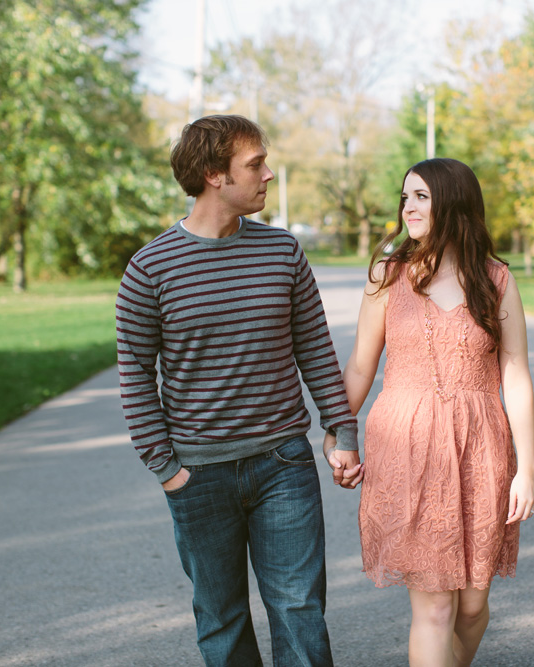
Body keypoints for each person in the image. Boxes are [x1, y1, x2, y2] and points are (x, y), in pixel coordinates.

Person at [116, 115, 359, 667]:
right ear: (213, 175)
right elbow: (134, 373)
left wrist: (341, 429)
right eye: (255, 164)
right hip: (198, 474)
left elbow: (315, 349)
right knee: (221, 618)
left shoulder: (283, 253)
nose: (268, 174)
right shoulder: (150, 268)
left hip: (284, 464)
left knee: (299, 609)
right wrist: (167, 469)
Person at [325, 157, 534, 666]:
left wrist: (526, 468)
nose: (408, 207)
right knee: (436, 607)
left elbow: (516, 373)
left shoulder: (495, 278)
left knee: (471, 605)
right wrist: (336, 432)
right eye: (404, 197)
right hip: (407, 446)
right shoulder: (388, 273)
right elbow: (360, 365)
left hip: (480, 448)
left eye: (420, 196)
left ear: (453, 201)